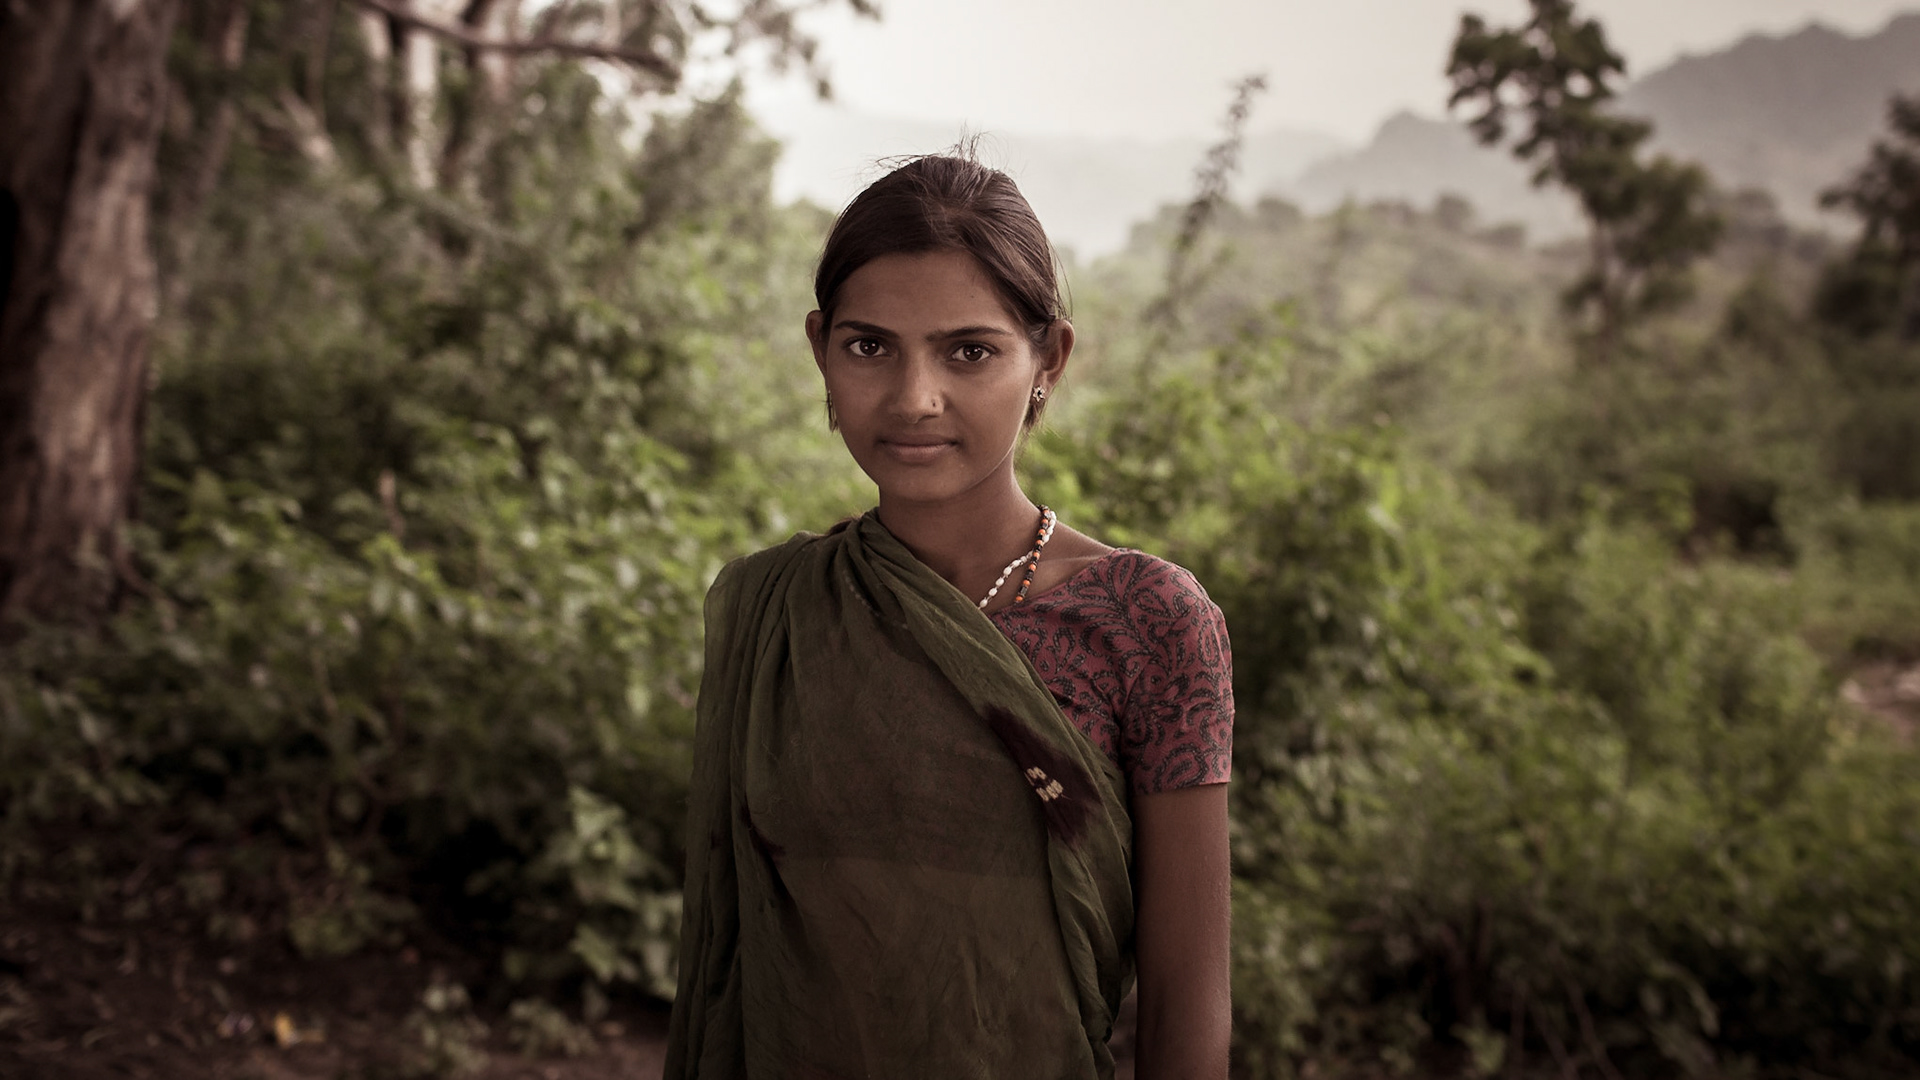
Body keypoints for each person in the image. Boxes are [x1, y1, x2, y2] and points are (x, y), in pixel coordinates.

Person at [665, 152, 1233, 1080]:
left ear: (1049, 358)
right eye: (869, 346)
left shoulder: (1146, 621)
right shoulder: (774, 612)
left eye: (968, 351)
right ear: (820, 348)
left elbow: (1186, 1002)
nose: (912, 398)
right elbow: (732, 954)